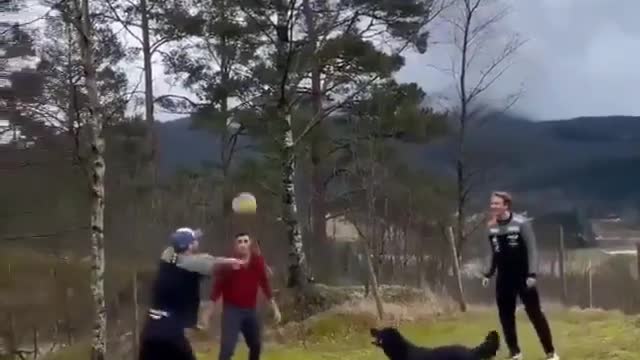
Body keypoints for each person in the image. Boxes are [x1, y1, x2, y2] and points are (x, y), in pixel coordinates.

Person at [138, 227, 246, 360]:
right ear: (189, 245)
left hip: (150, 332)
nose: (197, 242)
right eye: (194, 240)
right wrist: (235, 263)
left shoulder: (166, 260)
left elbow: (202, 260)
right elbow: (211, 264)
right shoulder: (190, 265)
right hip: (170, 333)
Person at [482, 192, 559, 360]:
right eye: (492, 203)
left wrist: (532, 273)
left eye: (497, 203)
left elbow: (532, 249)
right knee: (506, 316)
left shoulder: (521, 223)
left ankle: (550, 352)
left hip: (523, 276)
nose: (493, 206)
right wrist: (488, 273)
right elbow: (494, 252)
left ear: (506, 205)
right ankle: (515, 352)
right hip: (504, 278)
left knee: (535, 315)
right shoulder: (491, 227)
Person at [210, 232, 281, 360]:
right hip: (232, 311)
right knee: (227, 349)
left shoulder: (257, 261)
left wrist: (275, 308)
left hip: (250, 311)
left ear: (250, 243)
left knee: (256, 345)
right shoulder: (229, 263)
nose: (243, 244)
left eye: (245, 241)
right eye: (239, 242)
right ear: (235, 246)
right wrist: (209, 309)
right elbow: (217, 287)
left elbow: (265, 284)